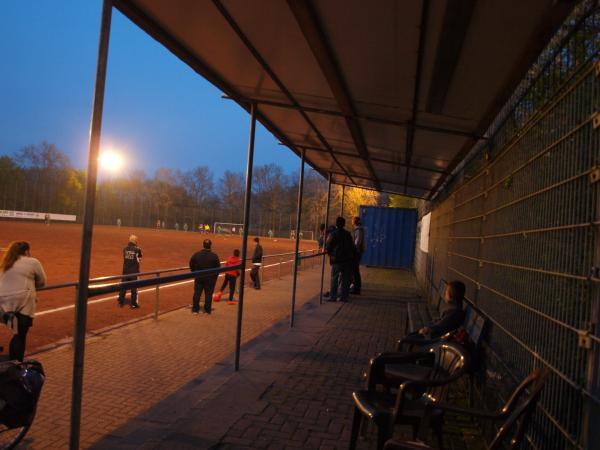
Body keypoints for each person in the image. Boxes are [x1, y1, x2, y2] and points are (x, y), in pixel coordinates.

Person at [0, 241, 46, 361]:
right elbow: (42, 282)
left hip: (4, 305)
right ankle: (16, 364)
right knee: (19, 335)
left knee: (15, 331)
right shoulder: (33, 262)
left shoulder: (6, 262)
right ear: (26, 251)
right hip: (23, 303)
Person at [325, 217, 355, 303]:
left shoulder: (333, 234)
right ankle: (343, 297)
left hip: (336, 260)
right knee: (345, 280)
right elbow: (352, 247)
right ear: (344, 224)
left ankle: (333, 297)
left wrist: (331, 255)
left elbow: (328, 246)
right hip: (347, 260)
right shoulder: (348, 234)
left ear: (336, 224)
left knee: (334, 278)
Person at [189, 239, 221, 314]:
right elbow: (218, 268)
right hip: (210, 278)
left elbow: (191, 263)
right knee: (208, 294)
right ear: (210, 246)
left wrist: (194, 272)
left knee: (197, 293)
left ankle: (195, 309)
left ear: (203, 245)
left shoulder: (197, 254)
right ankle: (207, 310)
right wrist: (214, 277)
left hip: (199, 277)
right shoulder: (214, 256)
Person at [118, 235, 142, 308]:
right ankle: (133, 303)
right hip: (133, 271)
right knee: (134, 288)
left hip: (125, 271)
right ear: (135, 241)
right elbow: (139, 259)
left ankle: (121, 301)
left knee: (123, 286)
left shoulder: (125, 249)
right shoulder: (137, 249)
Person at [351, 217, 365, 295]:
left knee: (355, 270)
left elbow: (357, 242)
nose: (352, 222)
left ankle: (356, 288)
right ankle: (356, 287)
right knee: (355, 270)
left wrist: (353, 249)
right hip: (357, 252)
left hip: (356, 252)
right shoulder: (359, 230)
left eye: (353, 220)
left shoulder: (358, 230)